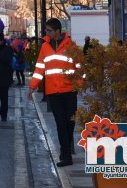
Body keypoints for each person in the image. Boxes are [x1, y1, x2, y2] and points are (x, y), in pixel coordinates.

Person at [27, 18, 80, 168]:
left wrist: (79, 85)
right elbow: (39, 69)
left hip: (70, 91)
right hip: (53, 92)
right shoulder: (45, 47)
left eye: (49, 30)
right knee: (61, 124)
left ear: (58, 31)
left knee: (70, 123)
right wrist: (32, 87)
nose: (47, 33)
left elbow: (80, 67)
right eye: (46, 30)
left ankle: (67, 148)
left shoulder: (71, 45)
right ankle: (66, 155)